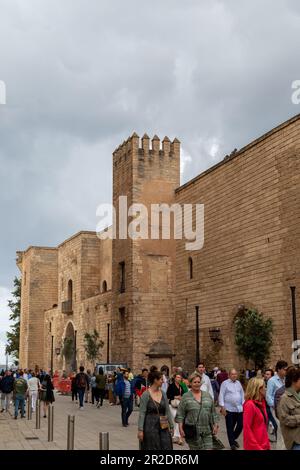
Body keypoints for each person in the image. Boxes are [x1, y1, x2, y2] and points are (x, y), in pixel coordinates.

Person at [176, 372, 219, 450]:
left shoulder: (207, 395)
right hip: (193, 431)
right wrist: (180, 428)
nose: (197, 384)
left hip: (207, 430)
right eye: (194, 382)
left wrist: (215, 424)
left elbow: (213, 412)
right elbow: (180, 414)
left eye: (198, 382)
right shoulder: (186, 397)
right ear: (190, 383)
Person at [138, 367, 174, 450]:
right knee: (152, 446)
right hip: (150, 424)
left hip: (163, 422)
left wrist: (171, 425)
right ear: (155, 380)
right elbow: (142, 413)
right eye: (161, 379)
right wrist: (140, 430)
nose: (163, 381)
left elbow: (167, 410)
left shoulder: (163, 393)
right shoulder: (146, 394)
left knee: (166, 445)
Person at [218, 368, 244, 450]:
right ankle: (232, 444)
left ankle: (233, 438)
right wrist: (222, 407)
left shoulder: (238, 383)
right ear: (229, 375)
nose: (234, 375)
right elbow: (221, 395)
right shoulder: (224, 383)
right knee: (230, 426)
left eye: (235, 374)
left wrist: (244, 404)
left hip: (239, 408)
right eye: (232, 374)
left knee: (240, 425)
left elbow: (242, 394)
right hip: (228, 408)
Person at [243, 377, 270, 450]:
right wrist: (256, 447)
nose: (266, 389)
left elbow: (263, 427)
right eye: (264, 387)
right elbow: (247, 429)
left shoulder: (262, 403)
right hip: (255, 446)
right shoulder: (250, 405)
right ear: (259, 389)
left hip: (263, 445)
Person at [266, 360, 288, 449]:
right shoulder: (272, 381)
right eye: (284, 369)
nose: (286, 371)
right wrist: (276, 407)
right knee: (281, 431)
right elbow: (268, 397)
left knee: (285, 431)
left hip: (286, 409)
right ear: (278, 369)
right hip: (276, 410)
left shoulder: (286, 379)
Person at [277, 366, 300, 450]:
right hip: (296, 442)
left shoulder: (297, 395)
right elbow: (284, 419)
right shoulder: (284, 398)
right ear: (295, 381)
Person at [167, 373, 186, 445]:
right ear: (175, 378)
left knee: (178, 419)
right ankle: (176, 436)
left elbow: (183, 394)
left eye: (180, 377)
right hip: (172, 405)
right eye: (177, 377)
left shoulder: (181, 386)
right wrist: (176, 397)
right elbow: (168, 395)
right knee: (175, 418)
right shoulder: (171, 386)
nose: (179, 379)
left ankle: (176, 436)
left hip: (179, 405)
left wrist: (182, 397)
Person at [264, 368, 277, 440]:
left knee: (273, 421)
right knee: (265, 421)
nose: (266, 375)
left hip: (271, 405)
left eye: (268, 374)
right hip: (264, 405)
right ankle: (265, 437)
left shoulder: (273, 383)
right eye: (265, 374)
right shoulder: (262, 382)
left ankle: (275, 435)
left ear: (271, 376)